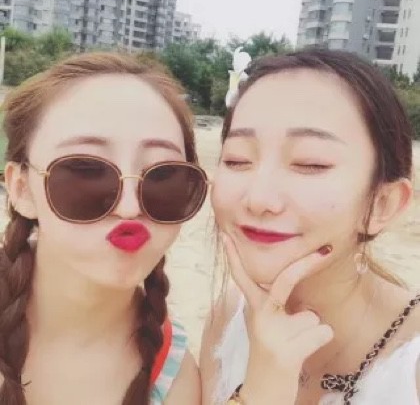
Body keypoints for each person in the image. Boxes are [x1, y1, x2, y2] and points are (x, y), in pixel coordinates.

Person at [200, 49, 420, 404]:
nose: (258, 199)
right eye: (237, 159)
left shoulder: (410, 365)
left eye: (310, 164)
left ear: (383, 203)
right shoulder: (229, 315)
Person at [0, 52, 208, 404]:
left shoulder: (173, 376)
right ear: (21, 189)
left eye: (162, 175)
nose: (129, 207)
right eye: (85, 171)